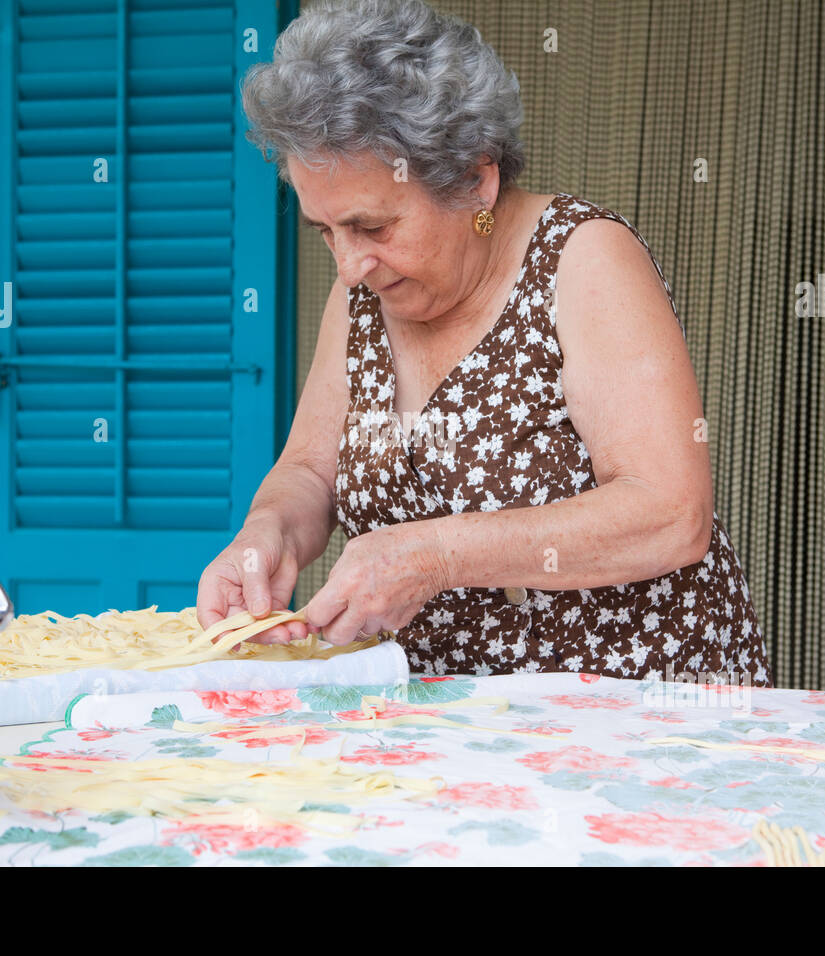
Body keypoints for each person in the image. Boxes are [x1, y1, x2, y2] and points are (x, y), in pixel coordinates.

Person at [198, 0, 772, 686]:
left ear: (475, 178)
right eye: (326, 232)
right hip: (446, 726)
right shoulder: (363, 290)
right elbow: (308, 474)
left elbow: (670, 514)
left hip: (627, 716)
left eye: (372, 227)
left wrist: (434, 554)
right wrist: (265, 537)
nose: (349, 265)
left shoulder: (583, 260)